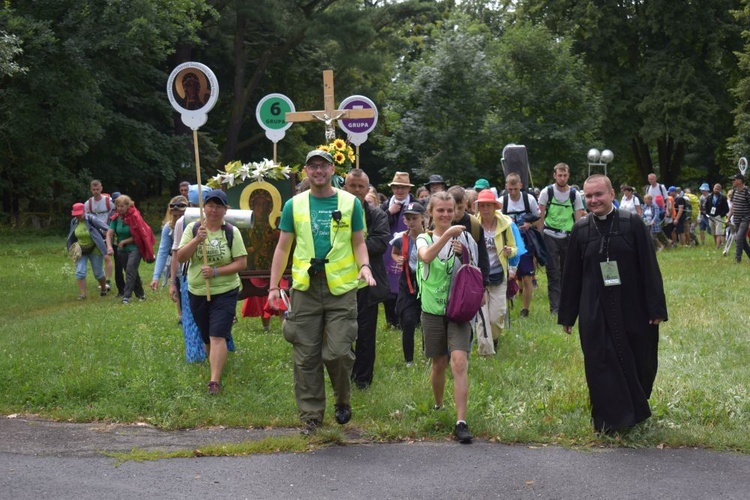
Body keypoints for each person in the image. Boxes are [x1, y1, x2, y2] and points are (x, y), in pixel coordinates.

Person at [267, 149, 375, 434]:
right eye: (313, 166)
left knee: (338, 352)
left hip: (341, 288)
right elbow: (282, 247)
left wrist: (364, 266)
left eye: (323, 166)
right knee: (306, 356)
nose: (318, 171)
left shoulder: (351, 203)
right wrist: (274, 286)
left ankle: (342, 400)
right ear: (306, 171)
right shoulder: (294, 205)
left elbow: (359, 242)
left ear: (332, 171)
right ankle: (311, 417)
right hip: (306, 288)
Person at [559, 174, 667, 433]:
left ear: (611, 195)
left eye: (599, 194)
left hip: (633, 304)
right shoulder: (581, 229)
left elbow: (650, 268)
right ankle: (609, 420)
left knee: (641, 359)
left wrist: (655, 308)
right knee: (600, 360)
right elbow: (571, 275)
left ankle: (635, 409)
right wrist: (567, 315)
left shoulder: (633, 224)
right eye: (589, 196)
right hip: (594, 307)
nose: (594, 200)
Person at [416, 191, 476, 444]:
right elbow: (426, 256)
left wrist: (464, 253)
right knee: (439, 363)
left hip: (459, 310)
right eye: (440, 210)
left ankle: (461, 422)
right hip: (432, 310)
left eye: (450, 210)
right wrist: (448, 236)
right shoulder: (423, 237)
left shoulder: (466, 238)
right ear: (430, 212)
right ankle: (439, 405)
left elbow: (475, 269)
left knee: (459, 362)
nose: (446, 215)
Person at [176, 189, 247, 394]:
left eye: (218, 206)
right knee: (207, 335)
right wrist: (197, 239)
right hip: (197, 290)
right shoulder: (193, 228)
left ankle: (214, 381)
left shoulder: (231, 232)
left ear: (225, 209)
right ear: (204, 208)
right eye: (210, 205)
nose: (213, 210)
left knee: (218, 334)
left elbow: (241, 262)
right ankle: (214, 365)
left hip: (225, 290)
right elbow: (181, 257)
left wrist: (216, 271)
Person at [345, 169, 390, 390]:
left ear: (367, 189)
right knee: (341, 332)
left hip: (367, 282)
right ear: (345, 186)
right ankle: (345, 373)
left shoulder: (377, 215)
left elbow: (381, 243)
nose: (356, 190)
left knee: (365, 332)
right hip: (341, 281)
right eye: (352, 185)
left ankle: (362, 380)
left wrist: (350, 246)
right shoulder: (337, 211)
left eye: (360, 186)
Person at [537, 163, 585, 315]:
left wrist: (578, 240)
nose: (562, 178)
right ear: (555, 175)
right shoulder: (546, 192)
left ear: (568, 175)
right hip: (550, 235)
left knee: (568, 272)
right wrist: (539, 238)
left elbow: (578, 219)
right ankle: (555, 308)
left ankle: (568, 304)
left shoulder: (575, 194)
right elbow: (540, 216)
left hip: (568, 236)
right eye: (559, 175)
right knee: (553, 272)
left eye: (565, 175)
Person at [474, 189, 517, 353]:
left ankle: (494, 338)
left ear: (495, 207)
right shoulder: (474, 225)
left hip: (499, 276)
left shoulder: (505, 225)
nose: (485, 209)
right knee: (482, 318)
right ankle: (486, 353)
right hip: (479, 277)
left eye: (488, 205)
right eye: (482, 206)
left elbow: (514, 248)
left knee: (496, 316)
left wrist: (509, 251)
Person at [499, 173, 542, 317]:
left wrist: (530, 224)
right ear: (506, 187)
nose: (512, 192)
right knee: (507, 275)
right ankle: (505, 304)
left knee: (527, 276)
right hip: (508, 242)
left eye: (515, 189)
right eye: (510, 189)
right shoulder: (502, 201)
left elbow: (538, 218)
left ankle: (525, 309)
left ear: (521, 186)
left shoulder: (528, 199)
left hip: (525, 241)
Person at [380, 172, 418, 330]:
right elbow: (377, 224)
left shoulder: (415, 204)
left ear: (408, 189)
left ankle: (410, 319)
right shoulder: (385, 205)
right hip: (389, 252)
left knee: (410, 282)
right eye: (396, 187)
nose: (400, 190)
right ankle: (391, 320)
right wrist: (389, 213)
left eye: (403, 187)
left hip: (410, 248)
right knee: (388, 286)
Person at [391, 201, 426, 365]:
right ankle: (409, 361)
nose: (411, 222)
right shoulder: (401, 238)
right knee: (409, 320)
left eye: (414, 218)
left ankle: (429, 355)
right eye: (408, 219)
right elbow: (394, 253)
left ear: (423, 218)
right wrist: (397, 259)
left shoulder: (431, 237)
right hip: (407, 284)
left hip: (427, 283)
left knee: (428, 321)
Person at [106, 195, 154, 304]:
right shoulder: (116, 217)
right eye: (117, 206)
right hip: (121, 250)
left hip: (135, 247)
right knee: (130, 271)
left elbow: (139, 235)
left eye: (122, 206)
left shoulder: (134, 216)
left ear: (128, 205)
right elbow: (109, 233)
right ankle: (141, 294)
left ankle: (126, 296)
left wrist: (124, 241)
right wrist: (109, 246)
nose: (119, 208)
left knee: (130, 269)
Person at [151, 196, 188, 323]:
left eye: (181, 215)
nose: (178, 219)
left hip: (192, 263)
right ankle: (182, 316)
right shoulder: (169, 227)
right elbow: (162, 251)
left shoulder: (193, 224)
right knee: (179, 289)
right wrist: (156, 276)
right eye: (175, 216)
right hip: (177, 263)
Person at [67, 202, 110, 300]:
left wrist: (106, 242)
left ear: (84, 211)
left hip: (95, 249)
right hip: (81, 250)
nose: (78, 216)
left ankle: (103, 288)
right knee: (80, 272)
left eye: (79, 214)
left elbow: (108, 229)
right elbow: (71, 235)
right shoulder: (74, 221)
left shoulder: (91, 219)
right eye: (76, 214)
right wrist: (71, 248)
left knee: (98, 273)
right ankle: (82, 294)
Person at [85, 180, 115, 293]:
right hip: (95, 234)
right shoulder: (88, 204)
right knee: (98, 257)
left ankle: (107, 281)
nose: (96, 192)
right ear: (91, 189)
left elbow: (116, 213)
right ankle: (101, 279)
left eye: (98, 189)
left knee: (107, 256)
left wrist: (111, 229)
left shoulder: (109, 201)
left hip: (107, 232)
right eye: (93, 190)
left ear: (101, 188)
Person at [727, 173, 750, 263]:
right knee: (742, 240)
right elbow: (733, 206)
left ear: (740, 181)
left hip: (745, 218)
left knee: (739, 238)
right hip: (736, 219)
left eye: (734, 179)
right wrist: (728, 218)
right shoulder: (734, 191)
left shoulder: (747, 191)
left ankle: (737, 259)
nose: (733, 181)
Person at [705, 183, 730, 249]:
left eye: (718, 189)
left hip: (719, 217)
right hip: (711, 216)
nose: (716, 190)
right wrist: (708, 214)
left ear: (720, 190)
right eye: (715, 188)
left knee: (718, 232)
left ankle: (718, 246)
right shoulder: (709, 197)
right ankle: (716, 243)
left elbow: (726, 209)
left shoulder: (723, 198)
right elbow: (706, 206)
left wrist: (721, 215)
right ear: (713, 188)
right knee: (713, 232)